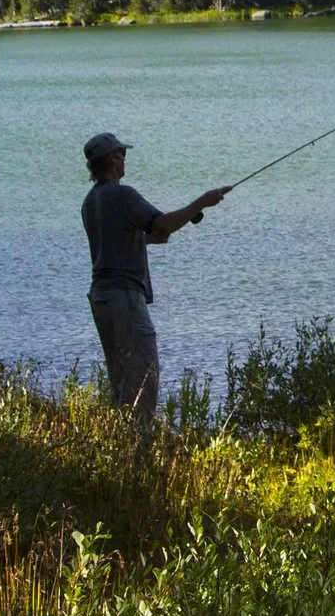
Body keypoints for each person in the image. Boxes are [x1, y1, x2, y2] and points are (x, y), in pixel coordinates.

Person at [79, 131, 231, 424]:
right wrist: (203, 201)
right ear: (112, 159)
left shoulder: (91, 201)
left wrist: (144, 240)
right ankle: (141, 449)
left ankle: (119, 445)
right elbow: (163, 224)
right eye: (123, 154)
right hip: (125, 297)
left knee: (121, 379)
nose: (125, 159)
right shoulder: (122, 194)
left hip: (101, 298)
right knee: (143, 377)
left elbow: (114, 240)